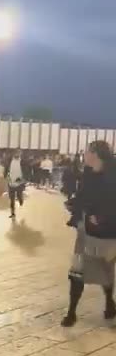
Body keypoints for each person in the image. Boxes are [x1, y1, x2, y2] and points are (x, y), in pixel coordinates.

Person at [62, 140, 116, 327]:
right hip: (85, 229)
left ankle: (109, 303)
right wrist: (74, 204)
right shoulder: (87, 173)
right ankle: (72, 312)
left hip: (107, 233)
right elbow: (84, 196)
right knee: (77, 270)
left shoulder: (113, 174)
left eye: (87, 152)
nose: (84, 155)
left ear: (96, 154)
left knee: (105, 270)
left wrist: (102, 218)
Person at [6, 150, 25, 219]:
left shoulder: (22, 162)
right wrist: (7, 178)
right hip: (11, 182)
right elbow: (7, 171)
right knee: (12, 199)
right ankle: (13, 213)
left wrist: (22, 179)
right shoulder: (9, 162)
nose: (17, 154)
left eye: (18, 153)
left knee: (19, 196)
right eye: (16, 153)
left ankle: (21, 201)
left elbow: (26, 171)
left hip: (19, 183)